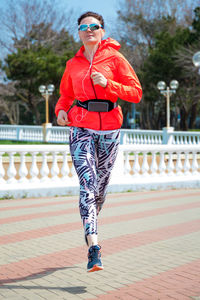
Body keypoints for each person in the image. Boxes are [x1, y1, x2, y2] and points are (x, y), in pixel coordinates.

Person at [55, 11, 142, 273]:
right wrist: (61, 110)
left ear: (102, 30)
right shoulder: (73, 64)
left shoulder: (115, 58)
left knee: (99, 191)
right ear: (79, 32)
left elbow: (135, 93)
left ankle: (91, 221)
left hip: (110, 130)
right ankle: (94, 247)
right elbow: (65, 95)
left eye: (94, 26)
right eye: (84, 27)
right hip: (80, 126)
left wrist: (109, 83)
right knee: (88, 185)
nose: (89, 30)